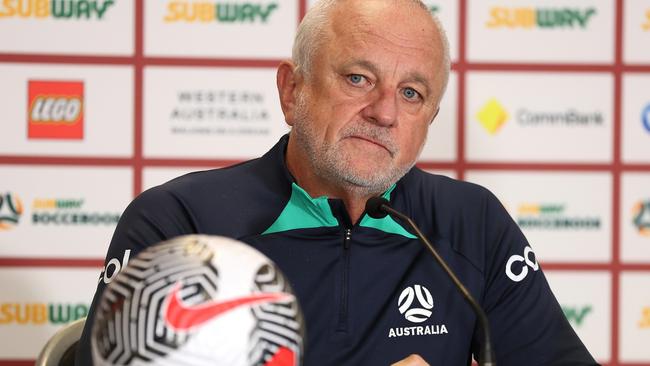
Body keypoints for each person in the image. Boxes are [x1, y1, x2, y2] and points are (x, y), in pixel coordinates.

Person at [76, 0, 598, 365]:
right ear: (292, 90)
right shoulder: (177, 222)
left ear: (429, 123)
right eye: (358, 79)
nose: (385, 112)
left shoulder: (471, 222)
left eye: (412, 92)